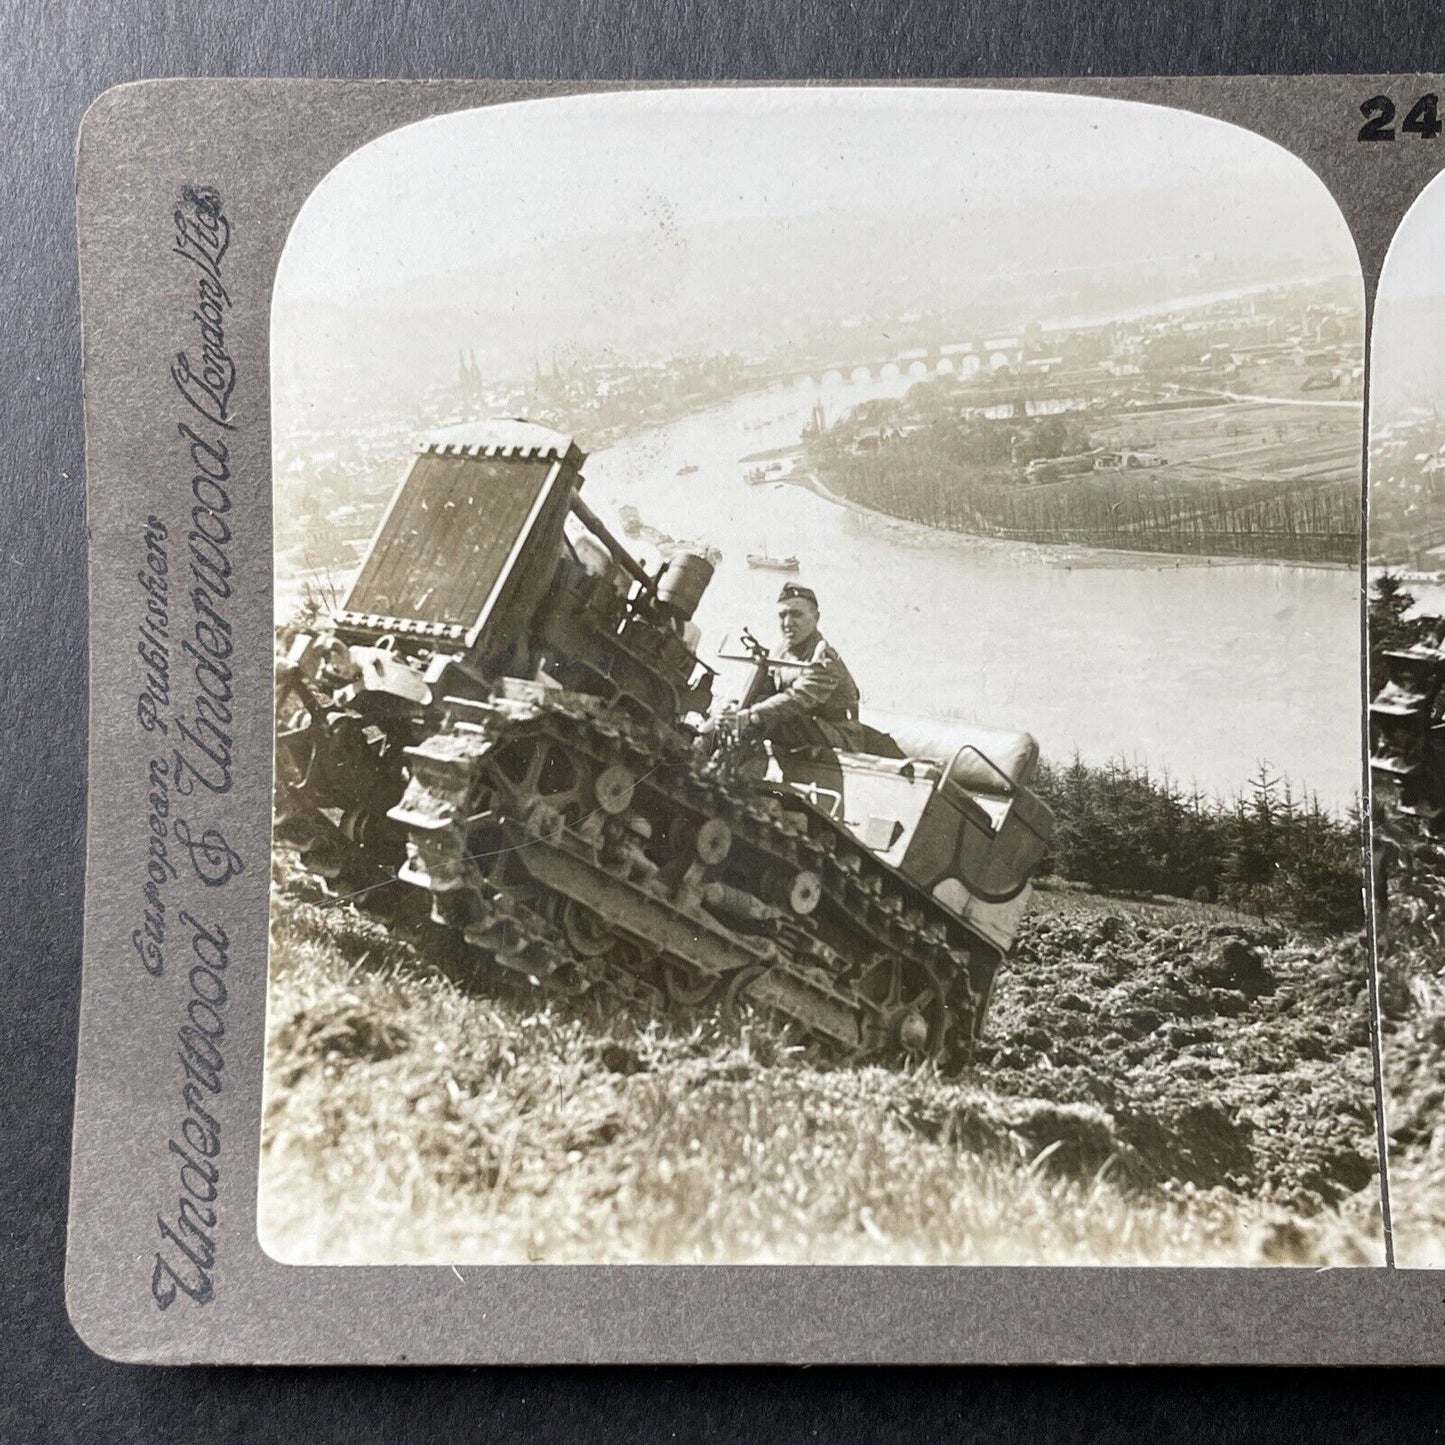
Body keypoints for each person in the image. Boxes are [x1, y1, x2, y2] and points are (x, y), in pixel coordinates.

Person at [735, 582, 864, 753]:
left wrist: (754, 715)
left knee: (773, 719)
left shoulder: (824, 657)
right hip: (807, 727)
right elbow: (768, 693)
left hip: (839, 735)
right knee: (736, 713)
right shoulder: (781, 651)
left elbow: (798, 698)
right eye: (782, 615)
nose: (788, 623)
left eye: (796, 615)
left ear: (816, 618)